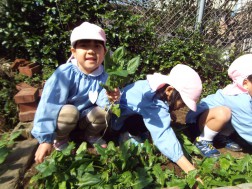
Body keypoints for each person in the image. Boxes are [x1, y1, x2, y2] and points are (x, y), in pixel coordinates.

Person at [31, 22, 120, 164]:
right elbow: (49, 104)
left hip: (86, 118)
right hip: (65, 119)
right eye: (84, 46)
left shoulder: (106, 76)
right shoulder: (65, 73)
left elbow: (104, 104)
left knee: (104, 111)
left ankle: (90, 135)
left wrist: (112, 98)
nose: (91, 51)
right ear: (73, 52)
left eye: (97, 46)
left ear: (104, 52)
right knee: (69, 111)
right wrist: (44, 139)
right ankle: (60, 139)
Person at [111, 64, 203, 174]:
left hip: (123, 114)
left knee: (155, 117)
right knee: (147, 122)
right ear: (169, 90)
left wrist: (169, 112)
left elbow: (161, 107)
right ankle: (127, 136)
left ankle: (138, 132)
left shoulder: (152, 87)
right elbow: (164, 136)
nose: (183, 106)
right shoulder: (150, 101)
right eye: (183, 102)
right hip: (117, 123)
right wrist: (190, 170)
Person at [186, 54, 252, 158]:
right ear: (245, 83)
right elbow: (248, 128)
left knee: (233, 114)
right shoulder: (238, 98)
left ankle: (221, 136)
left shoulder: (246, 94)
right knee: (223, 113)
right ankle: (203, 140)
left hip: (211, 123)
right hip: (197, 124)